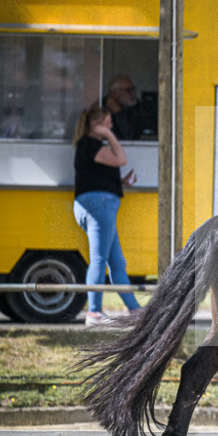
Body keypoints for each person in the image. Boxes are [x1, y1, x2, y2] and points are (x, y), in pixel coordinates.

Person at [72, 105, 141, 327]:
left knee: (116, 262)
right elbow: (121, 159)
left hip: (98, 205)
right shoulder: (90, 144)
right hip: (98, 206)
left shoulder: (91, 148)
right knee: (99, 260)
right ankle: (94, 313)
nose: (112, 126)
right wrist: (110, 136)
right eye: (108, 123)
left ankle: (135, 311)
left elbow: (96, 175)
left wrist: (119, 182)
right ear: (96, 125)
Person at [103, 75, 142, 141]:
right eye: (128, 90)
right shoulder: (101, 107)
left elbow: (131, 137)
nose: (133, 93)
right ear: (115, 93)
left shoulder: (136, 108)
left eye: (133, 89)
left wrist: (119, 113)